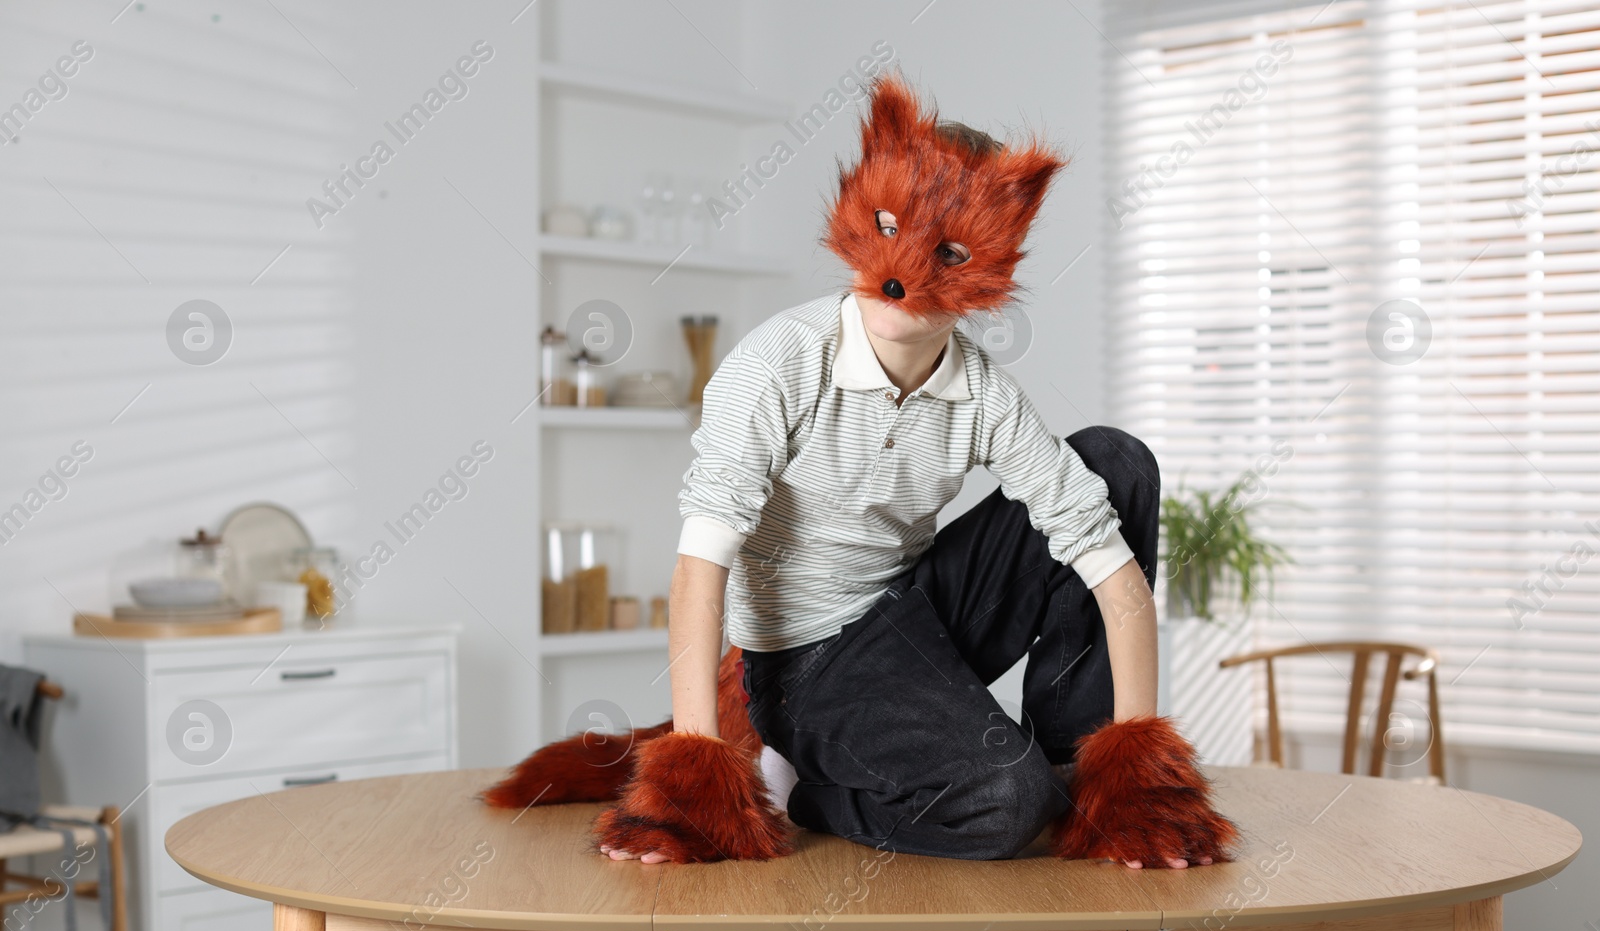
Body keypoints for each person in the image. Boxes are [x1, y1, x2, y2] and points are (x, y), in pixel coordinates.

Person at [487, 72, 1237, 870]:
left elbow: (1110, 567)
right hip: (805, 654)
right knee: (1007, 805)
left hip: (912, 611)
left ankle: (1070, 770)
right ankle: (816, 785)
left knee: (1113, 462)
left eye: (948, 253)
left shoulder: (982, 390)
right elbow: (698, 571)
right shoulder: (777, 364)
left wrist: (1137, 782)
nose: (904, 273)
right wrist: (696, 784)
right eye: (890, 228)